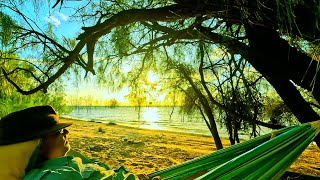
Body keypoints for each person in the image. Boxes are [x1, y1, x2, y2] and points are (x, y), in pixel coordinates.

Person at [0, 105, 154, 180]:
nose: (66, 132)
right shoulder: (53, 177)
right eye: (59, 132)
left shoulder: (66, 161)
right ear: (40, 143)